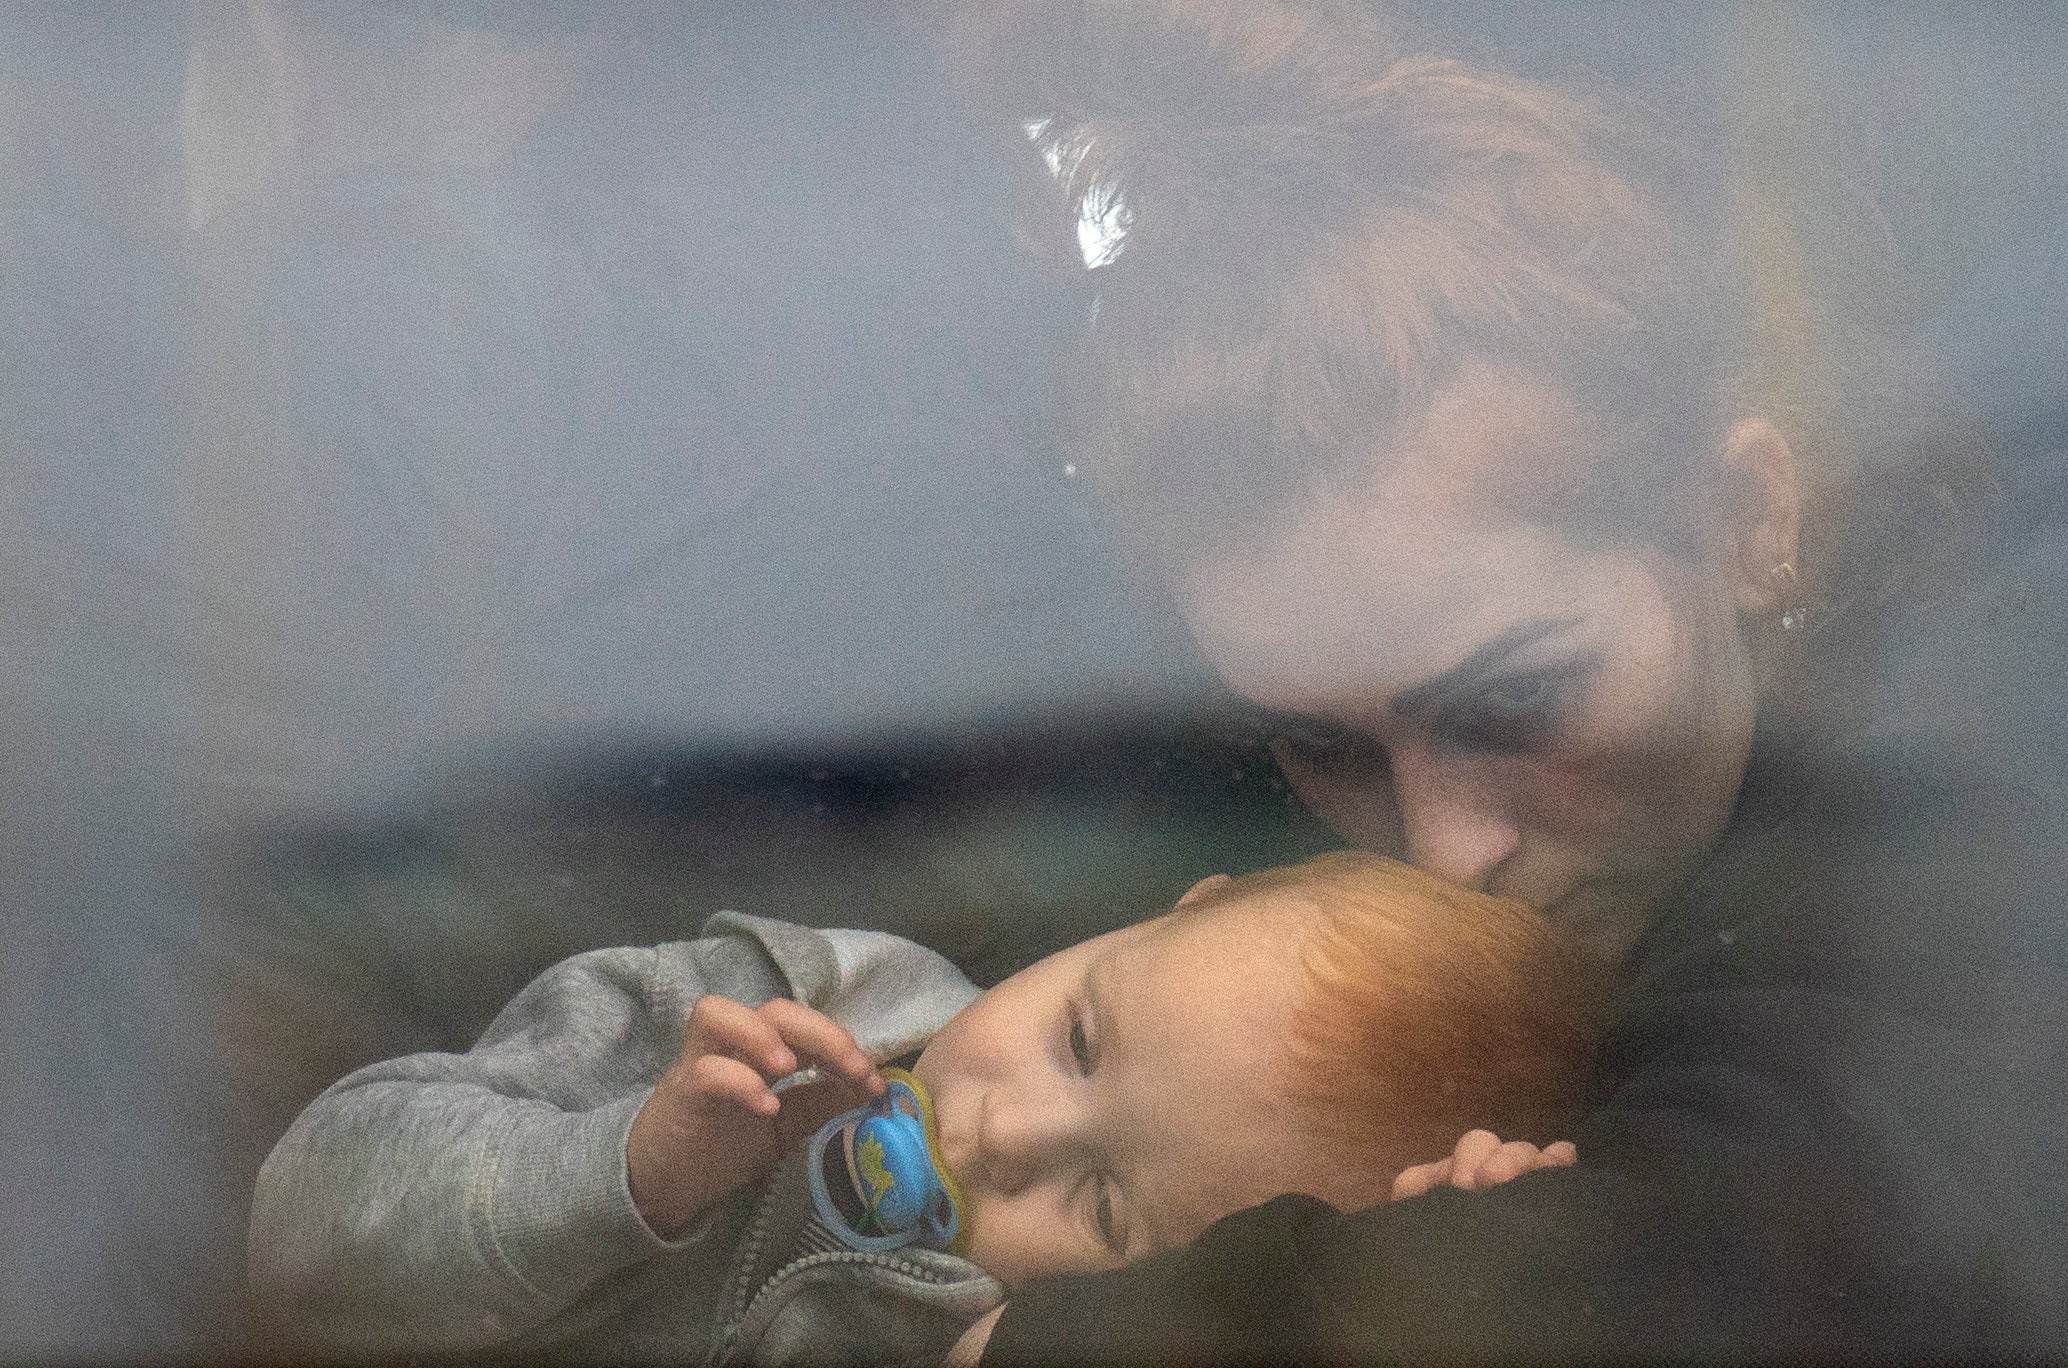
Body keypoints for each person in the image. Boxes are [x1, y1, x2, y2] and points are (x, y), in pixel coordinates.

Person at [929, 0, 2068, 1361]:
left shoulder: (1962, 818)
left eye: (1514, 701)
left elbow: (1704, 1267)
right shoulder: (1186, 844)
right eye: (1319, 743)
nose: (1441, 852)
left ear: (1750, 518)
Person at [245, 852, 1600, 1362]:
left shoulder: (1014, 1343)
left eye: (1108, 1209)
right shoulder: (757, 1010)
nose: (1005, 1137)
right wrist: (629, 1170)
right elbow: (298, 1229)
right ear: (1173, 907)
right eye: (1081, 1038)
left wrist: (1417, 1298)